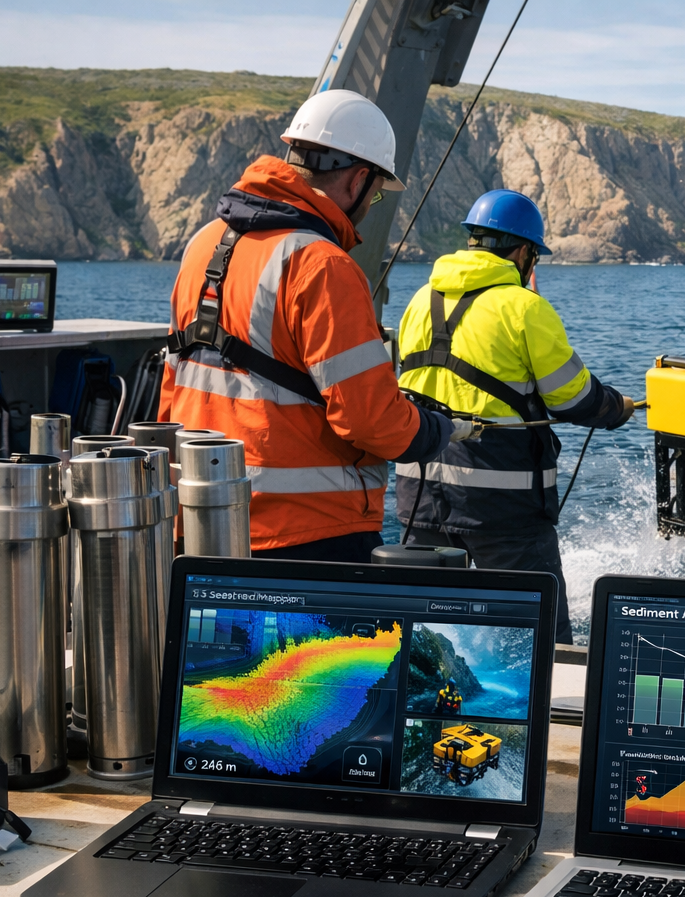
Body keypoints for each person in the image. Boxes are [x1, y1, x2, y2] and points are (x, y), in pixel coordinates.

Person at [159, 89, 453, 562]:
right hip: (307, 532)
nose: (372, 204)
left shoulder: (202, 245)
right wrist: (434, 431)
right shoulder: (322, 265)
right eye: (377, 193)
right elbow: (370, 419)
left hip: (202, 521)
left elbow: (172, 389)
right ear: (359, 179)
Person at [395, 189, 635, 644]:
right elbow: (573, 398)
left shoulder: (420, 300)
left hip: (419, 497)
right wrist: (615, 407)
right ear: (524, 252)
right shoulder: (525, 308)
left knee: (431, 636)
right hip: (503, 509)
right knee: (541, 637)